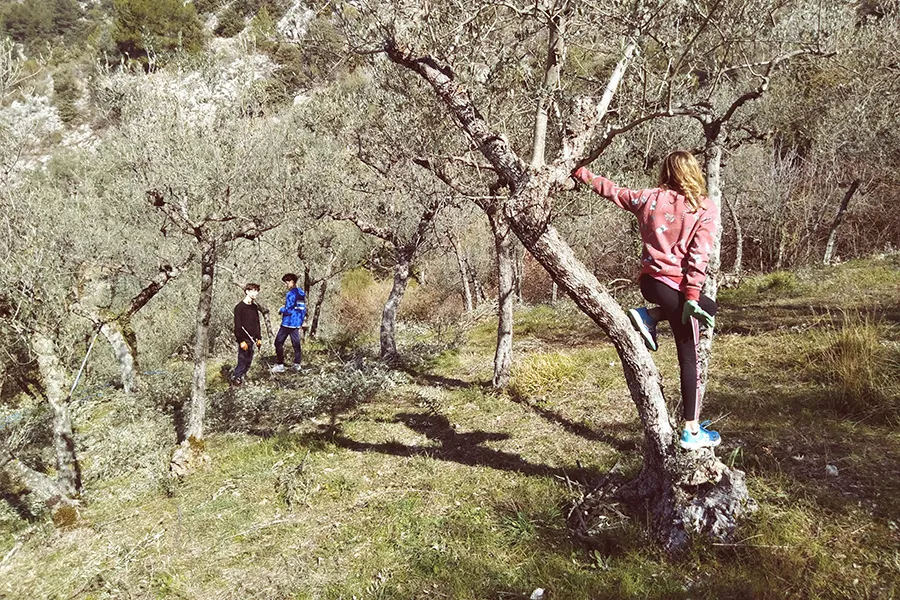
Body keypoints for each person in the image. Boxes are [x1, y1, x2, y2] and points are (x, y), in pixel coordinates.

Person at [574, 150, 721, 450]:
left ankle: (650, 316)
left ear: (666, 171)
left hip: (651, 285)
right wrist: (692, 296)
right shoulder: (703, 207)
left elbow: (612, 191)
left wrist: (581, 173)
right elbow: (699, 257)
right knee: (689, 356)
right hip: (677, 287)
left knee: (711, 306)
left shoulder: (649, 198)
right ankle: (691, 431)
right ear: (694, 172)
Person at [271, 273, 306, 373]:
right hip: (296, 323)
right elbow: (302, 309)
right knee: (296, 344)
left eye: (286, 283)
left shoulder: (290, 294)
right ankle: (297, 364)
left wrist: (281, 309)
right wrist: (300, 321)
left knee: (278, 342)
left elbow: (289, 310)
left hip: (288, 323)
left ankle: (280, 365)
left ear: (292, 282)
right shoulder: (301, 293)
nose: (286, 285)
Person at [232, 283, 262, 385]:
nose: (255, 293)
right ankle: (236, 379)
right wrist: (241, 341)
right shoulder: (239, 307)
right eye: (253, 291)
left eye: (257, 291)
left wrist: (259, 338)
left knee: (249, 361)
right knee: (242, 361)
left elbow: (257, 323)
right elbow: (237, 326)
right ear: (247, 292)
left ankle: (243, 377)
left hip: (252, 339)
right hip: (244, 339)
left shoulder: (254, 307)